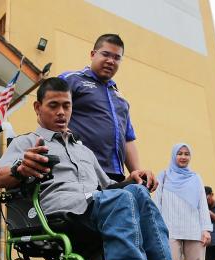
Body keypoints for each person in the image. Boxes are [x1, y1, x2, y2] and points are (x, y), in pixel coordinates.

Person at [0, 77, 188, 260]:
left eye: (66, 106)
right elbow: (0, 177)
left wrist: (132, 179)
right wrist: (20, 168)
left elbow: (109, 188)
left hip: (95, 207)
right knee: (121, 200)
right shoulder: (26, 142)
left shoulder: (83, 150)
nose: (61, 112)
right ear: (38, 108)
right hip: (58, 214)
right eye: (53, 106)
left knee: (139, 193)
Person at [59, 34, 153, 185]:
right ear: (93, 54)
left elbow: (127, 138)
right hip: (80, 169)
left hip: (115, 176)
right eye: (106, 54)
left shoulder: (120, 98)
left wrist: (137, 173)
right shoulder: (71, 80)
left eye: (117, 57)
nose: (111, 61)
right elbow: (49, 108)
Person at [154, 144, 212, 260]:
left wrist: (206, 229)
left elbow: (202, 204)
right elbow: (157, 203)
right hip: (170, 229)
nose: (183, 157)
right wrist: (156, 227)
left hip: (194, 229)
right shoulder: (164, 176)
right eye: (179, 153)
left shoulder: (196, 178)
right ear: (174, 155)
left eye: (187, 154)